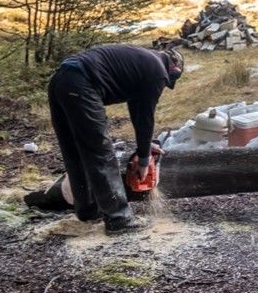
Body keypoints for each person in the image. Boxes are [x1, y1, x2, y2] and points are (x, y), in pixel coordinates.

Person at [47, 44, 184, 234]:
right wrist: (144, 159)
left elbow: (137, 114)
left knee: (74, 151)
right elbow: (145, 116)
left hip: (60, 81)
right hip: (82, 83)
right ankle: (119, 219)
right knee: (101, 152)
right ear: (174, 70)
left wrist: (145, 145)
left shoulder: (141, 61)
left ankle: (87, 210)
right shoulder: (158, 71)